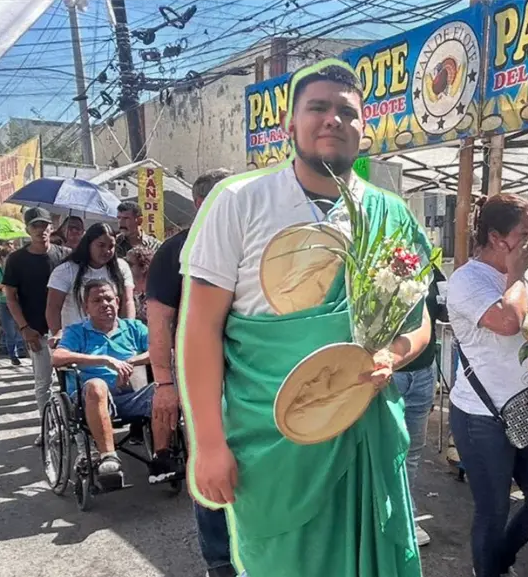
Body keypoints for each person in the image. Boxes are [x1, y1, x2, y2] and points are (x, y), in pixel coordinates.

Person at [179, 60, 431, 577]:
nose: (332, 120)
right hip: (271, 445)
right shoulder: (239, 202)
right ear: (289, 126)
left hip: (365, 432)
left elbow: (419, 323)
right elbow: (200, 328)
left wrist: (393, 353)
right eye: (317, 108)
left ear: (364, 129)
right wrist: (208, 443)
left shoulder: (391, 213)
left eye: (347, 112)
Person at [447, 194, 528, 577]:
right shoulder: (467, 281)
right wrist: (515, 277)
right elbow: (506, 322)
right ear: (498, 238)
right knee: (494, 509)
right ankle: (488, 569)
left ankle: (496, 562)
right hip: (482, 417)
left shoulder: (526, 279)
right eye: (525, 232)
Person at [147, 167, 234, 577]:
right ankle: (219, 561)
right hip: (199, 376)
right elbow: (159, 321)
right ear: (201, 203)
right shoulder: (175, 251)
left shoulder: (244, 241)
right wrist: (164, 382)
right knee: (207, 459)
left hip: (250, 375)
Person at [51, 278, 179, 486]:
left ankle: (161, 456)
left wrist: (130, 362)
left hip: (131, 392)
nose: (104, 304)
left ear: (118, 302)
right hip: (91, 401)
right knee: (96, 385)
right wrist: (105, 360)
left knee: (163, 389)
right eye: (97, 300)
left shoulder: (134, 327)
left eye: (109, 299)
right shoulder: (76, 331)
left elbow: (161, 348)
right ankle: (109, 458)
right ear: (86, 307)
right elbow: (58, 357)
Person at [3, 207, 71, 446]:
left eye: (44, 225)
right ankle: (48, 428)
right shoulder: (16, 260)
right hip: (36, 332)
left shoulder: (65, 255)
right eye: (35, 226)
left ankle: (73, 426)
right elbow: (11, 297)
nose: (41, 230)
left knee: (70, 381)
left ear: (51, 228)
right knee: (43, 383)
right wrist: (23, 328)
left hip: (67, 332)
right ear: (27, 229)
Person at [393, 267, 446, 547]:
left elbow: (442, 311)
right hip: (390, 373)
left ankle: (407, 516)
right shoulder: (379, 258)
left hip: (424, 371)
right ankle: (385, 520)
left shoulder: (429, 268)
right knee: (386, 449)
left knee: (413, 451)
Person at [47, 222, 135, 345]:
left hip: (111, 340)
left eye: (111, 246)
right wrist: (57, 334)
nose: (107, 250)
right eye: (101, 245)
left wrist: (129, 330)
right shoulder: (66, 270)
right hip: (74, 341)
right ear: (88, 244)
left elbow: (128, 301)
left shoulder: (121, 267)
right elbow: (53, 307)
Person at [0, 246, 24, 366]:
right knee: (9, 330)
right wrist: (2, 284)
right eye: (7, 257)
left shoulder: (19, 270)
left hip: (19, 301)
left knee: (21, 327)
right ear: (1, 258)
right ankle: (13, 354)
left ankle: (21, 348)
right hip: (4, 303)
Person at [126, 246, 154, 324]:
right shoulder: (130, 293)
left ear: (144, 268)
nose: (125, 267)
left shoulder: (158, 295)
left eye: (130, 264)